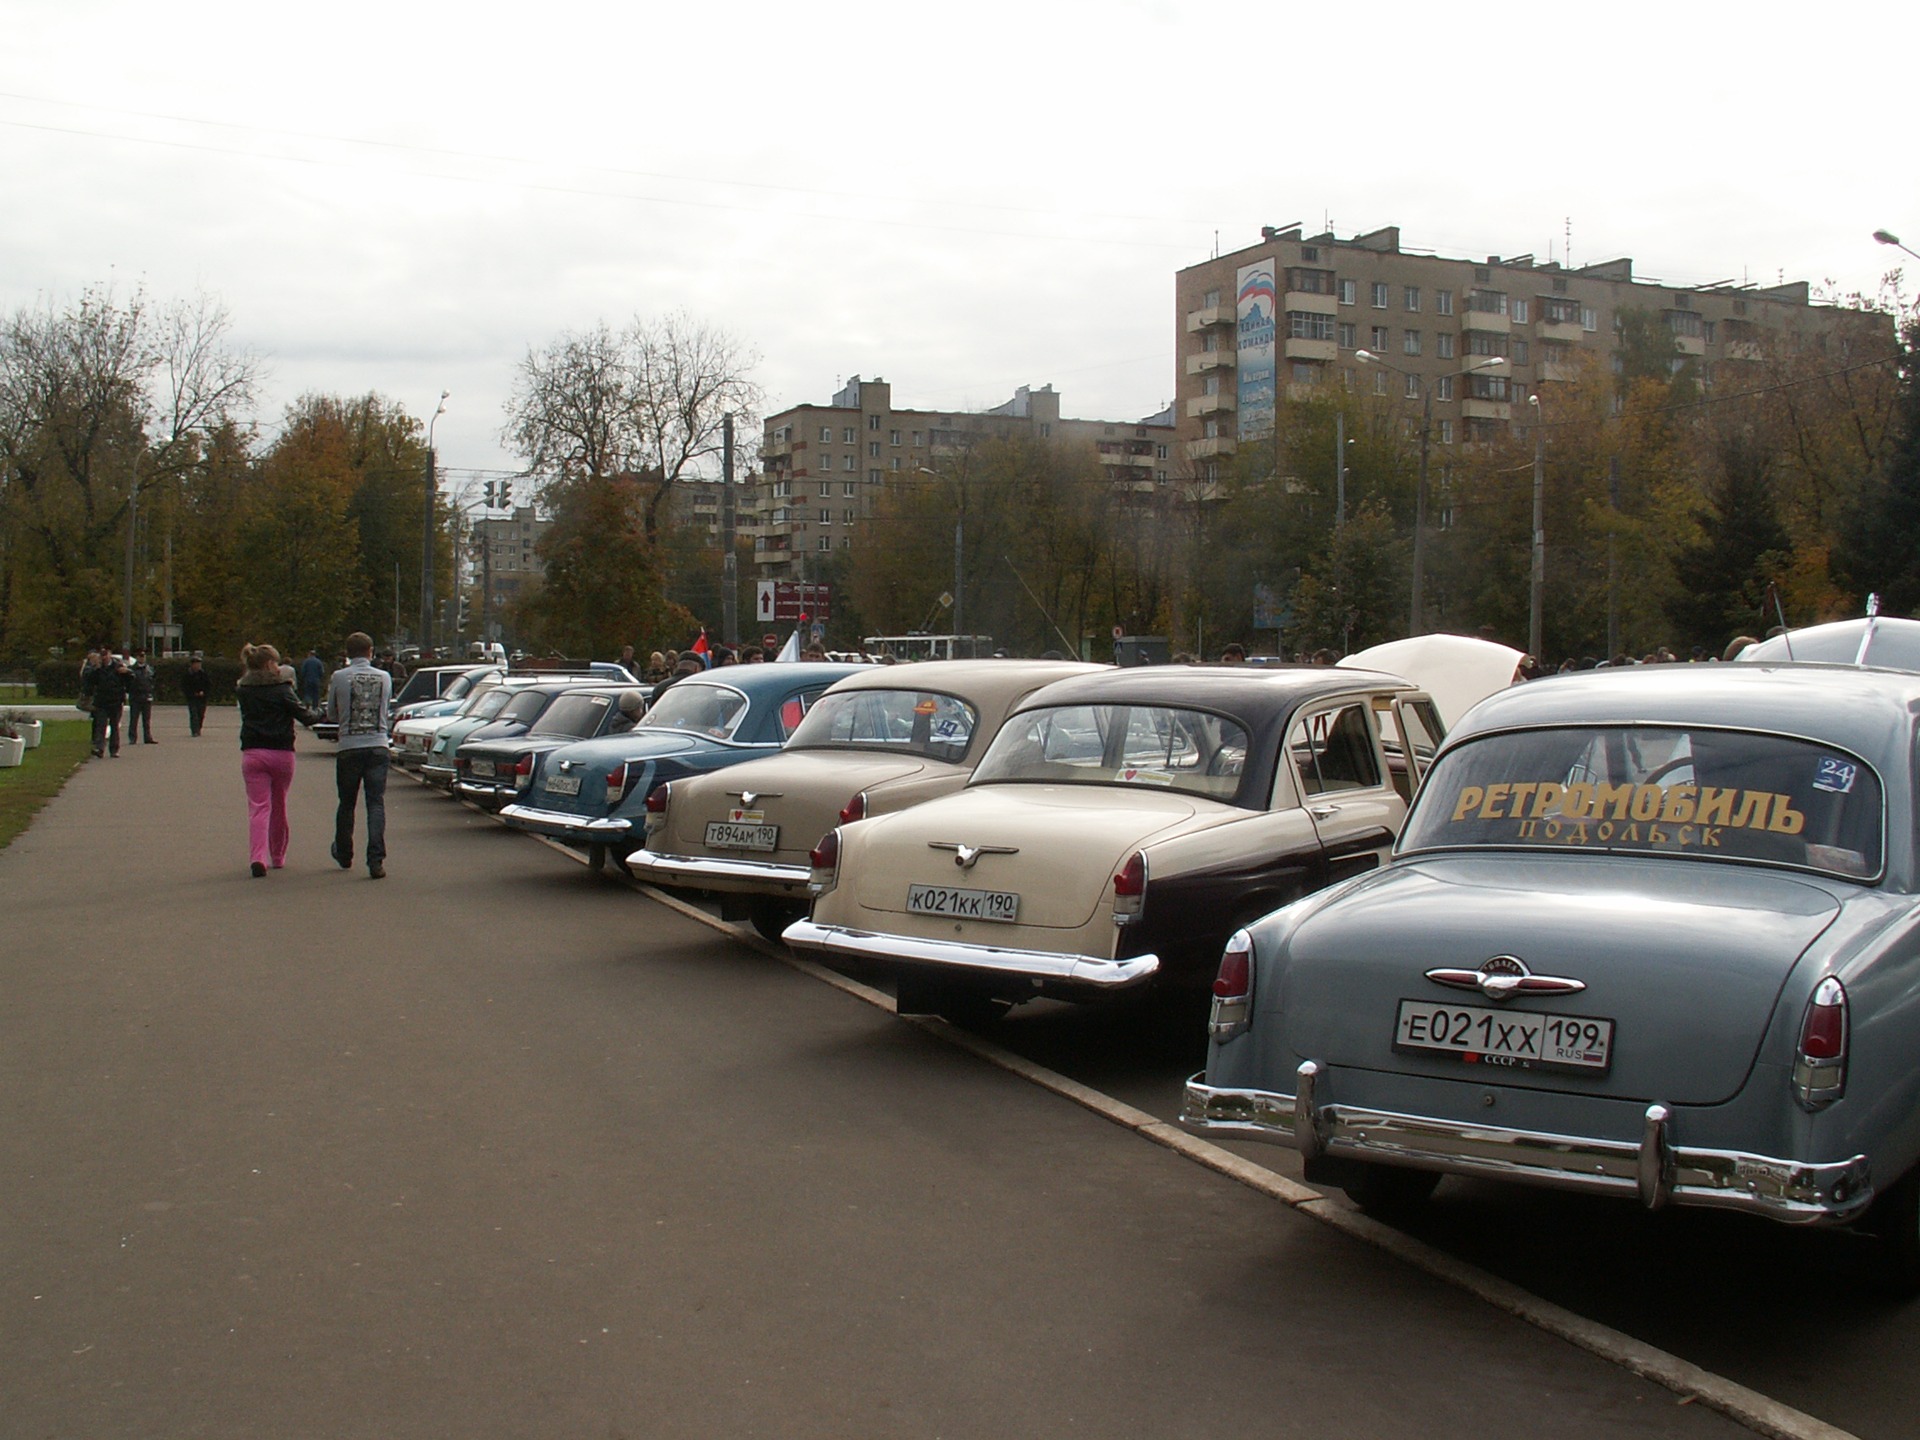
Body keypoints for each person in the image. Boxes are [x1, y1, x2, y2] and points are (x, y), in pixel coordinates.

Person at [237, 643, 322, 877]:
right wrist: (321, 713)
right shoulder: (282, 690)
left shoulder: (243, 690)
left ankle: (257, 857)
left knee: (258, 808)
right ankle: (278, 856)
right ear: (268, 665)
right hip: (281, 753)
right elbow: (305, 717)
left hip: (253, 753)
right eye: (276, 663)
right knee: (279, 805)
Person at [326, 631, 393, 880]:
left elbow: (332, 713)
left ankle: (344, 852)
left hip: (349, 747)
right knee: (375, 803)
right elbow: (386, 709)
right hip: (378, 745)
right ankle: (376, 860)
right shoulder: (384, 677)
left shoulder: (339, 677)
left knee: (347, 802)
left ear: (348, 652)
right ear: (370, 651)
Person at [83, 649, 133, 758]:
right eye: (102, 656)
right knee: (101, 725)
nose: (104, 658)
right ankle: (99, 748)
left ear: (110, 655)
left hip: (116, 700)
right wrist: (94, 667)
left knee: (114, 726)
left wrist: (127, 672)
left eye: (106, 656)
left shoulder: (118, 667)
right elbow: (88, 680)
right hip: (101, 701)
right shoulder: (98, 669)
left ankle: (114, 749)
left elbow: (131, 679)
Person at [126, 649, 158, 743]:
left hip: (146, 696)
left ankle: (147, 737)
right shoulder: (131, 669)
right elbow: (128, 683)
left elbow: (153, 680)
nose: (142, 658)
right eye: (140, 656)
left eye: (143, 656)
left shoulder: (149, 669)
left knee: (147, 720)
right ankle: (132, 738)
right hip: (135, 697)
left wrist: (151, 690)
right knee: (133, 719)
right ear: (136, 657)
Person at [181, 651, 212, 736]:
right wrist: (193, 693)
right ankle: (195, 730)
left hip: (202, 698)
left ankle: (199, 728)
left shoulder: (203, 674)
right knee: (194, 714)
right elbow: (185, 686)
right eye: (195, 664)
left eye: (199, 664)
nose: (197, 666)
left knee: (201, 714)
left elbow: (208, 685)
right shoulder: (188, 675)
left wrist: (204, 692)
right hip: (192, 698)